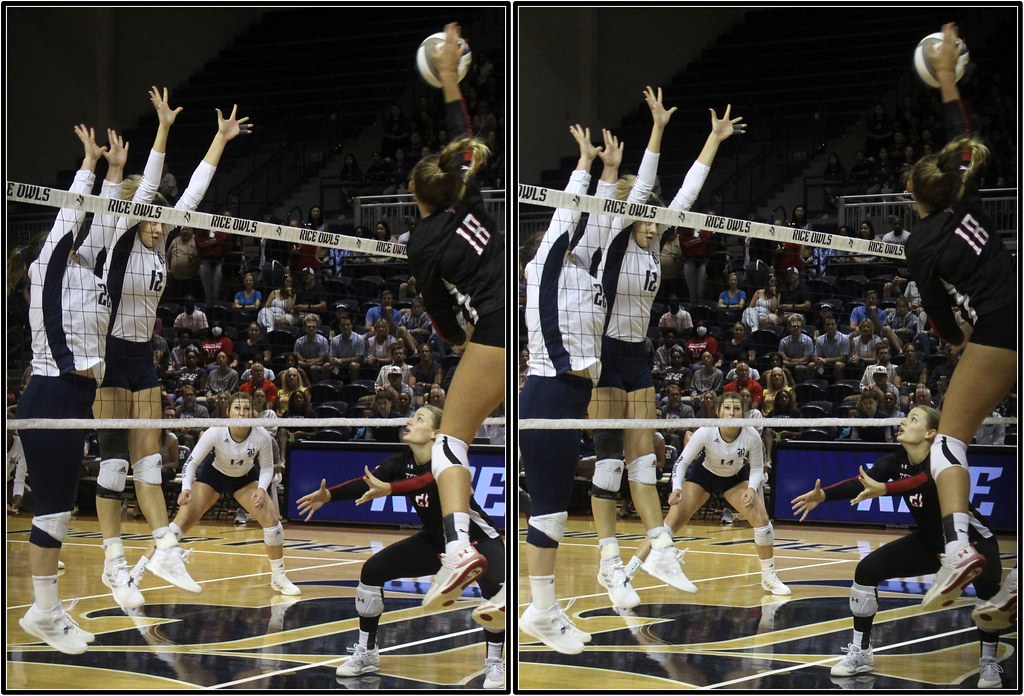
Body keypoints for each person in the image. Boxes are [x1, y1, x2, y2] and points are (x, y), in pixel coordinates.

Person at [82, 90, 248, 608]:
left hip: (142, 359)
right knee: (113, 465)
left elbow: (192, 196)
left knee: (149, 463)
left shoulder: (159, 239)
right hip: (108, 356)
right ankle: (113, 562)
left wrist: (219, 140)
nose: (159, 224)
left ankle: (163, 547)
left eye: (159, 219)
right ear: (135, 215)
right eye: (150, 217)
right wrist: (162, 129)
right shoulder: (124, 237)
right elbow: (149, 185)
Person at [582, 86, 743, 609]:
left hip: (638, 356)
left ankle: (659, 547)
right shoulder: (615, 242)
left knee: (644, 461)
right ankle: (609, 561)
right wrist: (656, 129)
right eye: (645, 218)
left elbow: (686, 197)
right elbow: (644, 188)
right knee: (608, 463)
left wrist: (713, 139)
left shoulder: (656, 245)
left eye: (655, 220)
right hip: (605, 356)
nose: (654, 226)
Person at [902, 23, 1018, 610]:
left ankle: (958, 552)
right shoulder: (964, 193)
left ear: (911, 191)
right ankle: (1007, 581)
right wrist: (947, 77)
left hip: (999, 328)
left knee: (948, 440)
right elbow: (962, 135)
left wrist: (955, 338)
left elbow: (938, 312)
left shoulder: (920, 242)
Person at [791, 406, 1007, 685]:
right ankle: (861, 651)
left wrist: (887, 489)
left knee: (988, 591)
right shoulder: (895, 461)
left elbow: (924, 480)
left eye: (913, 419)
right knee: (866, 570)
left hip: (973, 542)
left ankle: (988, 662)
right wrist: (823, 496)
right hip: (930, 542)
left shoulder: (944, 459)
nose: (903, 422)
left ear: (931, 433)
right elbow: (862, 483)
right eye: (905, 417)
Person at [405, 24, 506, 610]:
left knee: (448, 443)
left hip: (492, 330)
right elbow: (463, 138)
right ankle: (503, 588)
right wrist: (448, 78)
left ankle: (460, 549)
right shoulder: (472, 199)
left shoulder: (420, 241)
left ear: (415, 194)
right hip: (520, 327)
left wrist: (460, 337)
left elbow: (439, 319)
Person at [296, 405, 505, 688]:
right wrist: (329, 495)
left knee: (494, 590)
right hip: (434, 541)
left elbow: (428, 480)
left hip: (479, 540)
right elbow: (367, 482)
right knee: (372, 571)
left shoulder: (450, 460)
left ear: (435, 433)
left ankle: (495, 663)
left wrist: (391, 489)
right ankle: (367, 652)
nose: (409, 421)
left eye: (419, 418)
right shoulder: (402, 461)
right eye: (412, 417)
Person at [520, 124, 615, 654]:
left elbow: (600, 223)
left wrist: (611, 173)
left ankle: (542, 609)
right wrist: (582, 164)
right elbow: (567, 217)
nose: (577, 237)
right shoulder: (545, 265)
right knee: (550, 510)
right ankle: (541, 612)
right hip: (549, 389)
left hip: (571, 397)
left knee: (555, 509)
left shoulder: (588, 269)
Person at [15, 124, 108, 653]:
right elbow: (72, 212)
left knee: (58, 509)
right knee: (51, 508)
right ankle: (44, 613)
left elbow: (102, 220)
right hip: (52, 394)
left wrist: (114, 174)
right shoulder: (49, 263)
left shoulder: (83, 270)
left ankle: (47, 611)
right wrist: (88, 165)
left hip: (71, 398)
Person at [132, 392, 299, 596]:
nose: (242, 413)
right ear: (228, 411)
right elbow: (191, 462)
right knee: (175, 527)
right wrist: (186, 488)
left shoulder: (261, 435)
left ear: (254, 412)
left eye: (247, 409)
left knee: (273, 523)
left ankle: (278, 577)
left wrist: (262, 490)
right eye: (237, 408)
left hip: (245, 478)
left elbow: (266, 468)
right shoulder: (216, 431)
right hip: (214, 475)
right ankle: (135, 574)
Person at [628, 392, 790, 596]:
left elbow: (757, 467)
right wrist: (677, 487)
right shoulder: (706, 431)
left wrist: (751, 488)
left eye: (737, 409)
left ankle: (769, 577)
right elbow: (682, 462)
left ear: (744, 412)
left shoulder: (751, 436)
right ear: (719, 411)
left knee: (763, 522)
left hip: (734, 479)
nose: (732, 413)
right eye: (728, 408)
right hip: (703, 476)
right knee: (667, 525)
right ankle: (627, 574)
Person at [293, 313, 330, 384]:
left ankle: (315, 388)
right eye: (309, 326)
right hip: (303, 366)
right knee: (296, 369)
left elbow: (321, 360)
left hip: (318, 366)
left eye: (313, 326)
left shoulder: (323, 340)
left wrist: (304, 360)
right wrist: (305, 362)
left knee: (314, 368)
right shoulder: (299, 342)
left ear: (317, 327)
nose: (311, 328)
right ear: (304, 328)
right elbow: (296, 360)